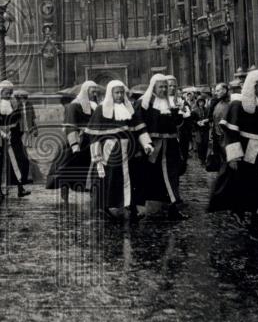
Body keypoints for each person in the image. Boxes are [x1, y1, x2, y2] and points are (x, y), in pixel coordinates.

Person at [207, 70, 258, 233]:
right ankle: (238, 212)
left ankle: (255, 219)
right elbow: (230, 132)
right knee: (242, 185)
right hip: (244, 153)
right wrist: (233, 156)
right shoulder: (238, 105)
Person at [87, 80, 154, 222]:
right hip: (110, 151)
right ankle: (103, 208)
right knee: (108, 179)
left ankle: (132, 208)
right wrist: (96, 154)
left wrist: (146, 143)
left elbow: (140, 129)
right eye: (116, 92)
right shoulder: (101, 110)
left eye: (122, 92)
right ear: (110, 94)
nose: (119, 95)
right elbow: (94, 135)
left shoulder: (130, 109)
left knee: (132, 179)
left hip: (130, 150)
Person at [135, 74, 186, 221]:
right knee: (146, 177)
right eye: (161, 87)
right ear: (154, 87)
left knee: (172, 177)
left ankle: (172, 208)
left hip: (170, 147)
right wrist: (145, 144)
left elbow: (175, 124)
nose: (164, 89)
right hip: (151, 147)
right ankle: (140, 210)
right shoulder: (143, 103)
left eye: (166, 86)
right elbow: (139, 125)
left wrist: (178, 111)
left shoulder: (171, 102)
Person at [46, 80, 98, 201]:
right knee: (67, 166)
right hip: (76, 141)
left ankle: (91, 191)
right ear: (86, 91)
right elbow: (70, 126)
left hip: (89, 141)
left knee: (88, 167)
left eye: (96, 91)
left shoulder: (95, 106)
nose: (95, 93)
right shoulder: (73, 106)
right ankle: (64, 189)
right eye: (92, 90)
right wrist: (74, 144)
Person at [0, 80, 32, 198]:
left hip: (14, 137)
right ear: (1, 91)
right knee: (1, 165)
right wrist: (1, 132)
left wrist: (15, 132)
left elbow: (18, 119)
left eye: (10, 91)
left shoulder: (14, 103)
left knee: (21, 161)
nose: (8, 93)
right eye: (6, 91)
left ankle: (20, 187)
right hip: (0, 138)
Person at [166, 75, 192, 164]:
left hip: (180, 132)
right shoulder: (161, 100)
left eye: (174, 86)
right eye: (170, 86)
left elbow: (188, 116)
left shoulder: (181, 100)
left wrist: (183, 109)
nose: (172, 88)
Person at [14, 90, 38, 182]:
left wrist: (35, 129)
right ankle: (26, 174)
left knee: (29, 151)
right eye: (20, 98)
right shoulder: (17, 106)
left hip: (29, 130)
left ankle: (29, 174)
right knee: (24, 151)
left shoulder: (30, 105)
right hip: (20, 130)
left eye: (23, 97)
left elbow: (33, 118)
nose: (22, 99)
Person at [208, 82, 231, 171]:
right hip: (217, 138)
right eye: (215, 91)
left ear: (224, 90)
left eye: (218, 91)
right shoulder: (218, 103)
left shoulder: (230, 103)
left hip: (226, 138)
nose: (215, 93)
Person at [193, 96, 211, 166]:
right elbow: (192, 120)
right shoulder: (194, 110)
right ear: (197, 102)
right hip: (198, 130)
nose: (201, 103)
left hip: (205, 129)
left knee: (205, 144)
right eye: (200, 102)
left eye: (202, 102)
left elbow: (210, 117)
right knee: (199, 144)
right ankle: (201, 159)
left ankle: (204, 159)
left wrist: (207, 120)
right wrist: (197, 122)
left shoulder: (207, 110)